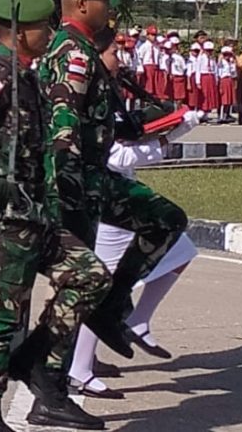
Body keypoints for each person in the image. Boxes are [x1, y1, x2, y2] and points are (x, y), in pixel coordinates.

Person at [0, 0, 111, 432]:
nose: (50, 34)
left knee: (90, 276)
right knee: (0, 319)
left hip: (36, 216)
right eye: (43, 27)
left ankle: (36, 356)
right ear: (21, 32)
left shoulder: (27, 75)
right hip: (10, 220)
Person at [67, 27, 200, 399]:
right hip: (109, 201)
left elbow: (128, 138)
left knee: (181, 252)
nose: (119, 59)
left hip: (122, 193)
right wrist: (170, 140)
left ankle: (134, 323)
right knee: (102, 287)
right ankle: (78, 367)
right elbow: (116, 156)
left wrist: (168, 127)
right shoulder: (91, 97)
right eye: (113, 52)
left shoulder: (107, 91)